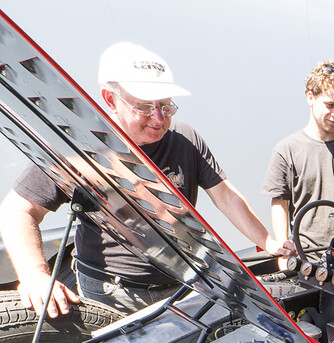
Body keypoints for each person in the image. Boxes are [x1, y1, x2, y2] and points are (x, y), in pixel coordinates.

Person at [0, 42, 285, 317]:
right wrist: (35, 275)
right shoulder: (80, 148)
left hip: (183, 286)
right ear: (110, 98)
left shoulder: (185, 140)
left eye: (165, 106)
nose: (159, 118)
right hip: (112, 293)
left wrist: (268, 242)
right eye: (145, 107)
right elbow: (17, 210)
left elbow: (225, 195)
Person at [261, 60, 334, 259]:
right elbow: (279, 203)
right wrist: (283, 251)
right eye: (330, 105)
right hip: (308, 259)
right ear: (310, 97)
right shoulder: (287, 150)